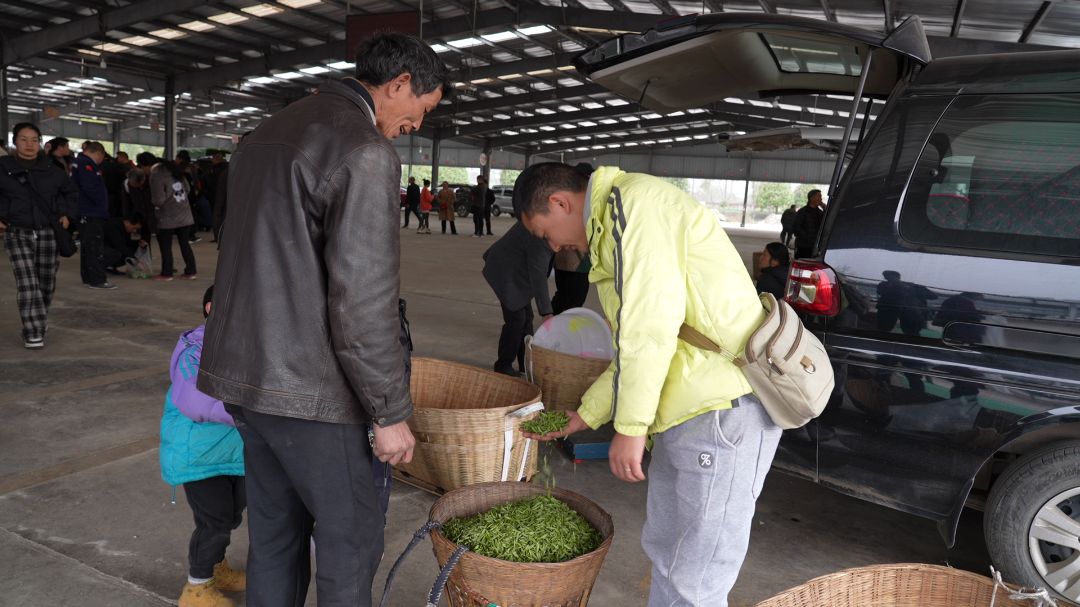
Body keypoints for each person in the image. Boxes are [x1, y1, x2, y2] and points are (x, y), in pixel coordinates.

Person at [196, 32, 451, 607]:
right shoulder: (362, 149)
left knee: (275, 537)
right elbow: (362, 300)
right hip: (310, 391)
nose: (416, 125)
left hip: (244, 378)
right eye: (422, 110)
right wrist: (389, 410)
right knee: (349, 541)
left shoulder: (269, 130)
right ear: (401, 83)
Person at [516, 163, 777, 607]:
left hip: (719, 412)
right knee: (669, 555)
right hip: (685, 412)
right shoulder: (613, 222)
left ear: (561, 203)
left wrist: (631, 427)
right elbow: (635, 348)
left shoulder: (636, 207)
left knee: (696, 577)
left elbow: (649, 329)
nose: (554, 246)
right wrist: (587, 414)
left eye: (546, 233)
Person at [159, 285, 248, 607]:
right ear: (211, 308)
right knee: (214, 522)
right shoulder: (194, 349)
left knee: (231, 516)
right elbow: (196, 401)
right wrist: (255, 413)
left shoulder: (248, 346)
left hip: (235, 454)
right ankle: (196, 588)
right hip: (197, 457)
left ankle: (214, 567)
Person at [0, 122, 79, 348]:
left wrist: (67, 214)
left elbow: (71, 192)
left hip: (48, 233)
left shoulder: (52, 170)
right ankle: (33, 330)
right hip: (17, 231)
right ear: (15, 141)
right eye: (24, 139)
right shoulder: (2, 167)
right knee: (27, 283)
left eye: (34, 140)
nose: (29, 144)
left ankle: (38, 317)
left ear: (40, 143)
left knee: (45, 283)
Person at [482, 219, 555, 377]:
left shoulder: (553, 230)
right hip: (504, 270)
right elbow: (538, 277)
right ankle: (503, 365)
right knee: (516, 320)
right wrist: (547, 313)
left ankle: (525, 364)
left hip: (516, 270)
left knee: (526, 318)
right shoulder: (542, 237)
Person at [70, 141, 117, 290]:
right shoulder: (86, 163)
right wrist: (100, 202)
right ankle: (97, 280)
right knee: (95, 247)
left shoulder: (80, 162)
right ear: (99, 153)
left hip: (88, 211)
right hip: (90, 212)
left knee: (88, 246)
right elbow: (90, 186)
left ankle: (89, 277)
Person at [150, 159, 197, 281]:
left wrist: (159, 204)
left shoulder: (156, 176)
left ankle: (166, 273)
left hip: (167, 216)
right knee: (184, 243)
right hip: (184, 214)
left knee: (166, 245)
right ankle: (191, 272)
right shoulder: (177, 173)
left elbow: (158, 200)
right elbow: (187, 190)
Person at [875, 270, 938, 336]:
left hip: (905, 311)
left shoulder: (912, 286)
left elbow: (933, 296)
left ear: (899, 277)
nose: (890, 281)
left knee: (911, 332)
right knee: (884, 330)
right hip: (900, 310)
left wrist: (910, 289)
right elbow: (880, 291)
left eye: (892, 278)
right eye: (888, 278)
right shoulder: (883, 285)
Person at [792, 189, 825, 259]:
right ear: (812, 199)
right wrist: (807, 237)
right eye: (819, 197)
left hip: (815, 246)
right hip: (804, 246)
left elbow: (827, 222)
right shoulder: (803, 212)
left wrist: (825, 209)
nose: (821, 199)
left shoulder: (819, 212)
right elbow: (796, 227)